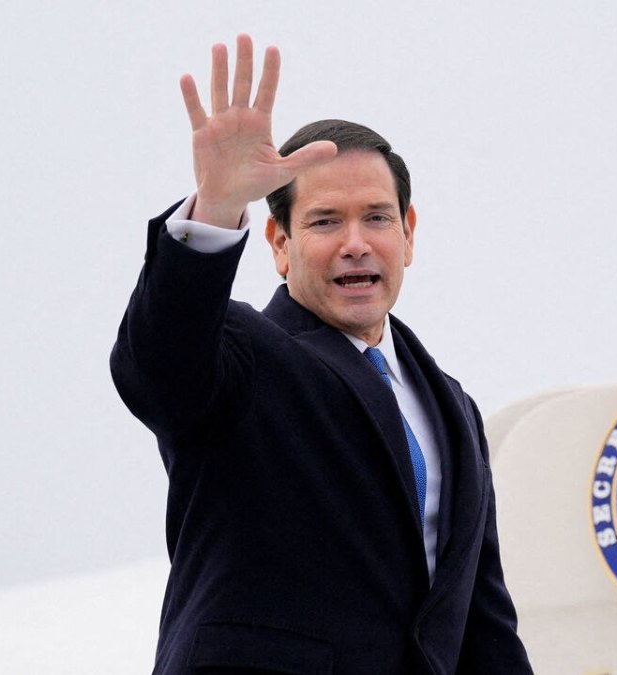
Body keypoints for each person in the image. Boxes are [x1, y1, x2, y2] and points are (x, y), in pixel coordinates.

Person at [110, 35, 532, 674]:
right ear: (279, 244)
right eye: (325, 221)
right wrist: (218, 207)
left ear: (408, 234)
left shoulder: (454, 408)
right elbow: (158, 368)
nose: (355, 243)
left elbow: (481, 622)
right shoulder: (244, 359)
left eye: (377, 218)